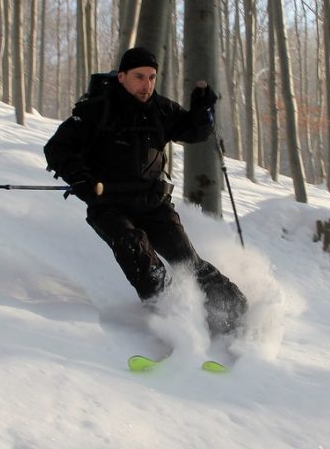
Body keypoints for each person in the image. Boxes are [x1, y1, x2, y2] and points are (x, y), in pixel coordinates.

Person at [44, 47, 248, 335]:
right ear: (122, 77)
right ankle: (173, 317)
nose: (147, 84)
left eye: (151, 77)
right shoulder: (96, 110)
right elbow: (57, 149)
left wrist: (203, 109)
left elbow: (194, 131)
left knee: (187, 261)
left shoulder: (161, 110)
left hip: (153, 202)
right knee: (133, 247)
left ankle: (238, 315)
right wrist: (80, 178)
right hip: (108, 203)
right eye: (139, 77)